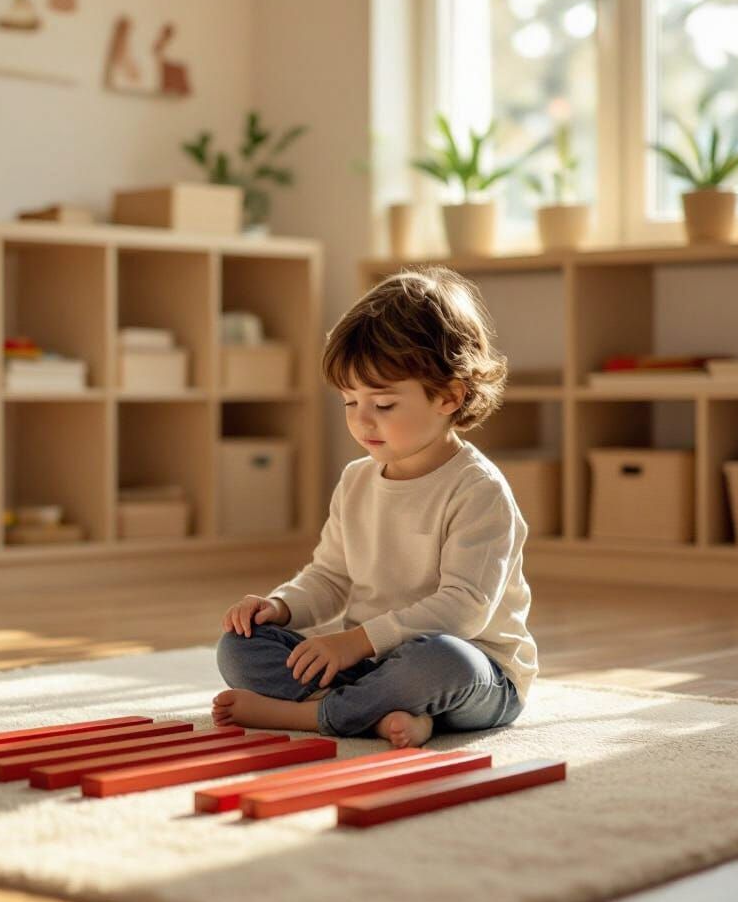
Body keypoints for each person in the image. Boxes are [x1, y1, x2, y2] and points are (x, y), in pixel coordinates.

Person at [213, 266, 538, 748]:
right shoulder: (356, 481)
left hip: (474, 673)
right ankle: (386, 713)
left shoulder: (478, 491)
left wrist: (354, 642)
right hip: (372, 666)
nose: (362, 421)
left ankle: (316, 715)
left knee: (442, 662)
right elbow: (329, 577)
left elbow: (464, 611)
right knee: (239, 647)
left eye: (383, 405)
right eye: (350, 402)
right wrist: (279, 607)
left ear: (450, 396)